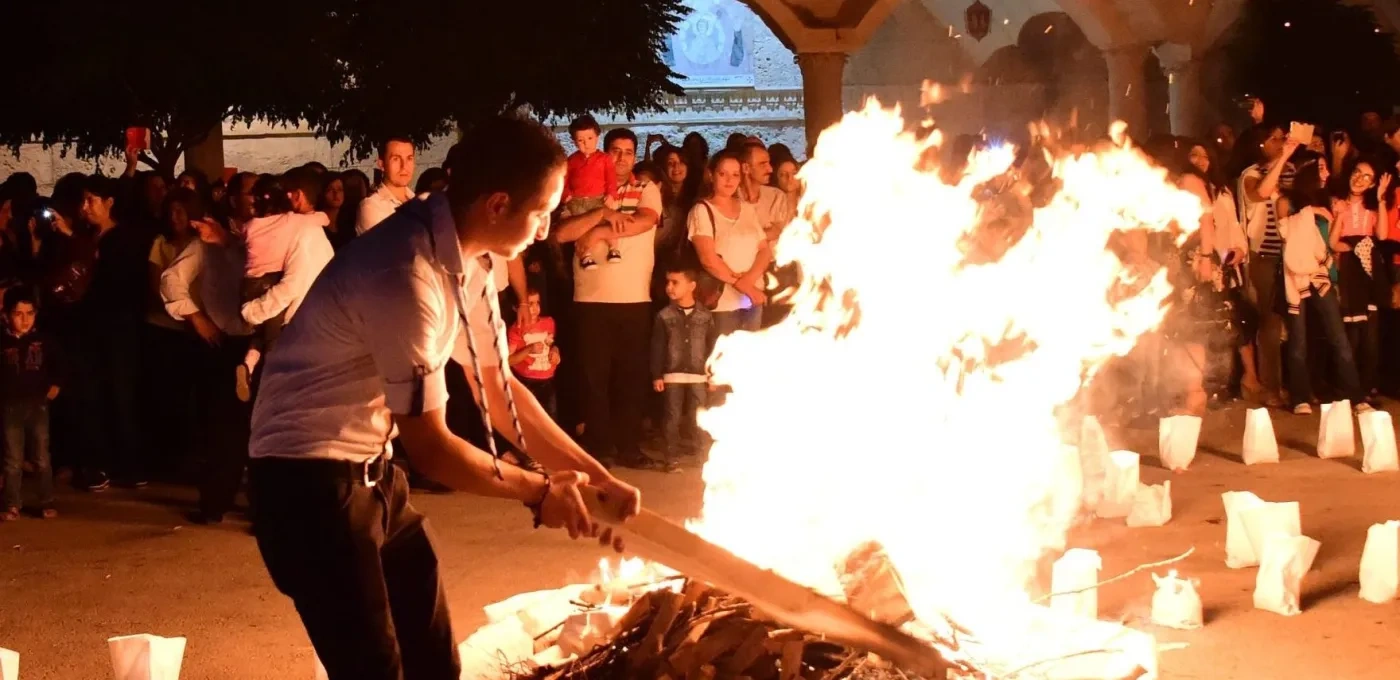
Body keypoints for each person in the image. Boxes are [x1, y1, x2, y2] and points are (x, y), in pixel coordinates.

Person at [246, 114, 640, 680]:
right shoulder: (405, 272)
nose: (549, 225)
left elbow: (498, 390)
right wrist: (538, 491)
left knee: (434, 660)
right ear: (498, 204)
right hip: (306, 485)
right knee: (376, 669)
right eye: (543, 211)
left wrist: (593, 477)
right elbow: (431, 447)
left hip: (371, 474)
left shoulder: (471, 261)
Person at [552, 128, 663, 469]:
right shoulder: (584, 192)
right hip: (590, 298)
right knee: (593, 378)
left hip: (634, 298)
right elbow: (563, 233)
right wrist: (600, 214)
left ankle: (629, 446)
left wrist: (599, 231)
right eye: (615, 151)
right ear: (604, 152)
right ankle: (600, 448)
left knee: (630, 377)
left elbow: (644, 221)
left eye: (628, 152)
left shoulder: (646, 189)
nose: (621, 158)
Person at [160, 214, 257, 525]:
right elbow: (171, 278)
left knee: (265, 428)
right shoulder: (205, 244)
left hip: (266, 341)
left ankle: (263, 508)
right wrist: (194, 315)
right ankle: (216, 502)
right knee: (222, 428)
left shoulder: (267, 238)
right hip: (224, 341)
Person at [236, 169, 334, 401]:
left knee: (270, 362)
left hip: (279, 314)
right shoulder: (300, 226)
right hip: (301, 324)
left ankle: (250, 368)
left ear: (297, 195)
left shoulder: (302, 232)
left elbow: (291, 286)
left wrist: (253, 312)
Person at [1279, 160, 1366, 415]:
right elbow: (1287, 234)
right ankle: (1299, 397)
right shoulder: (1288, 201)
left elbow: (1328, 241)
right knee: (1298, 340)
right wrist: (1311, 211)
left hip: (1321, 274)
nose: (1327, 173)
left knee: (1338, 337)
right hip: (1294, 277)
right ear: (1309, 175)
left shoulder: (1328, 202)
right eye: (1321, 169)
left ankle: (1356, 396)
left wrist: (1336, 215)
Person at [1238, 124, 1298, 409]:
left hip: (1288, 256)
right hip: (1262, 256)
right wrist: (1283, 159)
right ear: (1260, 144)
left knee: (1285, 323)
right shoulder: (1251, 174)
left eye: (1282, 138)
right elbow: (1260, 193)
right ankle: (1269, 388)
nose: (1280, 142)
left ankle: (1285, 383)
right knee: (1269, 323)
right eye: (1274, 139)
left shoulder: (1286, 172)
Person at [688, 151, 773, 335]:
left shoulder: (748, 209)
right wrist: (742, 284)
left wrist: (749, 282)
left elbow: (764, 250)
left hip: (753, 298)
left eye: (735, 175)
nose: (729, 180)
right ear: (711, 175)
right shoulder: (702, 210)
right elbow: (708, 259)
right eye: (723, 174)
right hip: (721, 303)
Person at [1329, 161, 1389, 407]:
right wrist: (1347, 243)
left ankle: (1367, 386)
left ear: (1373, 183)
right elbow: (1334, 242)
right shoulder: (1338, 203)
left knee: (1371, 335)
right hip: (1350, 269)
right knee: (1351, 332)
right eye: (1357, 173)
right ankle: (1349, 388)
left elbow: (1382, 235)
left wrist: (1382, 199)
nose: (1360, 179)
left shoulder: (1372, 208)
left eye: (1367, 176)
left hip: (1369, 269)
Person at [1, 289, 59, 520]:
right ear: (6, 315)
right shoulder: (2, 342)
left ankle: (46, 501)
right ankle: (11, 504)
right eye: (18, 314)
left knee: (42, 457)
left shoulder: (43, 341)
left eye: (30, 313)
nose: (24, 320)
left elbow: (61, 365)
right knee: (12, 459)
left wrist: (56, 386)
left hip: (37, 406)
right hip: (9, 407)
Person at [650, 266, 715, 472]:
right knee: (672, 417)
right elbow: (657, 346)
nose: (669, 287)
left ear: (692, 286)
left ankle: (702, 456)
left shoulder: (705, 316)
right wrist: (657, 374)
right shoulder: (664, 316)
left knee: (699, 417)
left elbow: (711, 346)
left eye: (675, 282)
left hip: (698, 376)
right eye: (667, 282)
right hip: (673, 375)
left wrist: (712, 375)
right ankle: (672, 458)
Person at [562, 115, 621, 270]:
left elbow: (611, 178)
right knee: (582, 228)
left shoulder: (604, 159)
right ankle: (586, 255)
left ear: (597, 137)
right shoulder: (572, 160)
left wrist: (611, 194)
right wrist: (566, 194)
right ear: (574, 141)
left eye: (589, 138)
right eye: (580, 140)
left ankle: (614, 248)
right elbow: (565, 179)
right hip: (577, 200)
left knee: (607, 224)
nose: (586, 144)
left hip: (599, 199)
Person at [507, 289, 560, 419]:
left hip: (547, 381)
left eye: (537, 303)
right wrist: (528, 350)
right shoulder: (516, 330)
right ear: (516, 308)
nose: (535, 308)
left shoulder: (548, 323)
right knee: (530, 420)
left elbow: (551, 344)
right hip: (527, 383)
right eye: (530, 304)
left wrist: (555, 352)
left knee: (550, 419)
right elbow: (508, 360)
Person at [356, 137, 416, 234]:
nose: (404, 166)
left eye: (409, 158)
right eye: (396, 159)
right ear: (382, 164)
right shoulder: (371, 206)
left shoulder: (418, 201)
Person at [740, 142, 794, 243]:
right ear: (746, 168)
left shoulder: (777, 196)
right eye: (762, 164)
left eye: (769, 163)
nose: (770, 169)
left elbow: (780, 232)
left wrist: (747, 236)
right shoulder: (731, 198)